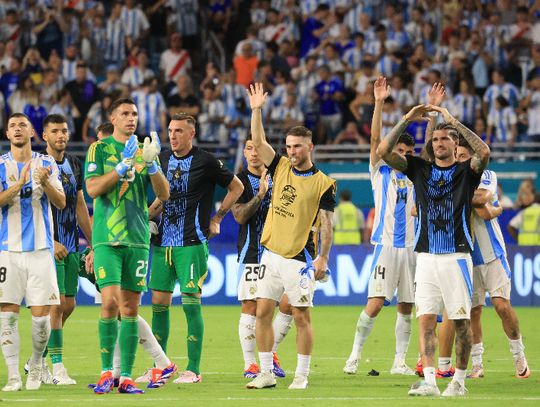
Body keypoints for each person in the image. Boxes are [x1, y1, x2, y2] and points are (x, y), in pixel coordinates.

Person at [377, 103, 490, 397]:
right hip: (425, 256)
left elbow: (484, 153)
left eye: (445, 139)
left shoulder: (467, 173)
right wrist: (405, 119)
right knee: (425, 318)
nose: (439, 143)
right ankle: (429, 379)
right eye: (436, 140)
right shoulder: (419, 169)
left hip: (457, 256)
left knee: (461, 320)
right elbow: (383, 152)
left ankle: (459, 382)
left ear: (455, 145)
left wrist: (453, 120)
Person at [245, 83, 336, 390]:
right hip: (270, 254)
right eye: (288, 146)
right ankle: (267, 373)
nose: (291, 151)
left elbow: (327, 224)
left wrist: (323, 256)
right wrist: (257, 109)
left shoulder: (324, 183)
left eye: (297, 146)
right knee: (262, 313)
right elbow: (257, 140)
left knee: (301, 318)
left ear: (310, 147)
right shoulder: (280, 165)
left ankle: (301, 375)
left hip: (300, 259)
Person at [147, 113, 243, 384]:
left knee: (190, 305)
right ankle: (161, 365)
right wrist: (146, 218)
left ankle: (193, 369)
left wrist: (218, 217)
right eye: (170, 130)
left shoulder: (207, 161)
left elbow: (236, 186)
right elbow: (160, 199)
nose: (173, 136)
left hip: (191, 242)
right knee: (158, 305)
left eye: (179, 131)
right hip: (162, 243)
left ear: (192, 134)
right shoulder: (161, 159)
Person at [84, 98, 169, 395]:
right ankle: (107, 371)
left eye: (134, 113)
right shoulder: (100, 149)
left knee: (131, 308)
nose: (131, 118)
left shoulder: (144, 149)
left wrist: (153, 164)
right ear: (113, 118)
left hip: (138, 238)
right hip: (107, 236)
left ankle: (127, 377)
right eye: (125, 113)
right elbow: (92, 188)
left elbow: (164, 193)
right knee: (110, 302)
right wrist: (121, 167)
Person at [343, 77, 416, 376]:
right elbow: (375, 142)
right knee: (374, 303)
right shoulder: (380, 170)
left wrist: (436, 114)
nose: (404, 156)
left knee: (407, 306)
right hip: (385, 246)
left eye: (408, 153)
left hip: (411, 247)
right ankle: (354, 356)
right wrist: (379, 103)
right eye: (400, 150)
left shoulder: (416, 174)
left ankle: (399, 361)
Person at [0, 113, 66, 392]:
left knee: (41, 320)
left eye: (22, 125)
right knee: (7, 315)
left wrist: (45, 182)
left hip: (41, 250)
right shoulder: (0, 165)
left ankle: (36, 365)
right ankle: (13, 375)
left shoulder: (47, 163)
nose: (17, 129)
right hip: (7, 250)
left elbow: (61, 203)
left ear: (31, 133)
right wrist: (19, 183)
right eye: (12, 125)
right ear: (7, 134)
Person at [456, 138, 531, 379]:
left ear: (473, 158)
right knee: (473, 312)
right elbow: (484, 209)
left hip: (492, 254)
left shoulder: (487, 174)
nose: (458, 160)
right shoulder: (453, 179)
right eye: (456, 156)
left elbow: (481, 202)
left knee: (501, 306)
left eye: (462, 156)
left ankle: (519, 355)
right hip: (468, 256)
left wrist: (482, 204)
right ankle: (477, 365)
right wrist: (487, 207)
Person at [231, 135, 290, 379]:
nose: (254, 153)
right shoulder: (239, 182)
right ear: (244, 154)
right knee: (251, 307)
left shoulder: (281, 177)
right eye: (248, 149)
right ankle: (250, 364)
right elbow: (240, 216)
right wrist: (261, 194)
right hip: (252, 253)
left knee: (289, 304)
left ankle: (271, 351)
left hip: (282, 252)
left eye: (257, 148)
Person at [42, 114, 93, 385]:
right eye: (54, 131)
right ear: (44, 136)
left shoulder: (75, 163)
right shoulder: (39, 165)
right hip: (49, 246)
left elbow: (79, 205)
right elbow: (33, 210)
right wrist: (51, 241)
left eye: (63, 130)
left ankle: (37, 358)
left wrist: (93, 243)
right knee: (57, 305)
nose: (61, 135)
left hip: (72, 244)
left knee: (69, 304)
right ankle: (57, 367)